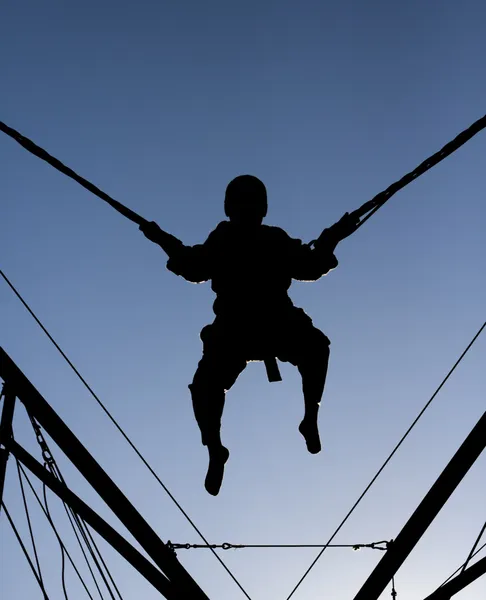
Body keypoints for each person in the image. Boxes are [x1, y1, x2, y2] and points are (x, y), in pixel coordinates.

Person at [140, 175, 362, 495]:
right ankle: (215, 448)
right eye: (242, 203)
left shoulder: (273, 240)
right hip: (236, 326)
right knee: (205, 387)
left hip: (274, 320)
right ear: (231, 208)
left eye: (252, 203)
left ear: (262, 209)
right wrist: (161, 239)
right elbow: (192, 264)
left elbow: (309, 265)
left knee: (316, 348)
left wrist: (333, 238)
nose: (247, 209)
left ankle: (309, 417)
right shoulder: (224, 240)